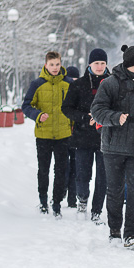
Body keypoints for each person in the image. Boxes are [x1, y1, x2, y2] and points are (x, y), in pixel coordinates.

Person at [91, 45, 134, 249]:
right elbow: (97, 110)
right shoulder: (111, 84)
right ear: (133, 64)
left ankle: (131, 234)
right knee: (114, 191)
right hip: (113, 147)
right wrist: (115, 117)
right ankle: (114, 230)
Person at [61, 49, 111, 224]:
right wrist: (84, 117)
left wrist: (106, 118)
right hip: (83, 136)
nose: (99, 66)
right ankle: (82, 201)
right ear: (90, 64)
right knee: (83, 174)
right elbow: (66, 108)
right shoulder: (79, 84)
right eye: (96, 63)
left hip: (106, 137)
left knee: (103, 176)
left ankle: (97, 210)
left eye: (102, 63)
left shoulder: (113, 83)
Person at [21, 51, 73, 217]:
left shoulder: (68, 83)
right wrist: (37, 115)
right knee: (43, 170)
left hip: (64, 135)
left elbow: (75, 105)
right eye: (52, 65)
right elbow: (26, 106)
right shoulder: (37, 84)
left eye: (57, 64)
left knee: (61, 170)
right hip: (43, 135)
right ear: (46, 65)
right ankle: (43, 201)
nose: (55, 68)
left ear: (60, 64)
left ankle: (56, 203)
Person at [63, 66, 80, 208]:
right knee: (64, 167)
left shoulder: (79, 91)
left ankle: (72, 198)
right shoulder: (64, 92)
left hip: (77, 134)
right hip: (64, 135)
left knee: (75, 168)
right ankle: (62, 191)